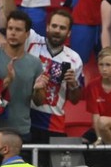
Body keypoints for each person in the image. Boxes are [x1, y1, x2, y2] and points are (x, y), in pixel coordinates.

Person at [0, 10, 48, 144]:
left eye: (18, 29)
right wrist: (7, 82)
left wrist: (38, 90)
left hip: (21, 131)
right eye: (10, 28)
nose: (12, 33)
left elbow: (39, 102)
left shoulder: (35, 64)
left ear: (27, 34)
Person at [27, 9, 85, 143]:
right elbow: (14, 21)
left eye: (62, 28)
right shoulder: (32, 42)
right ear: (47, 27)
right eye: (54, 26)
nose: (57, 30)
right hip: (26, 118)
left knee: (51, 164)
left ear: (69, 33)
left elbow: (75, 100)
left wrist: (73, 84)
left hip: (53, 123)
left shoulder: (75, 59)